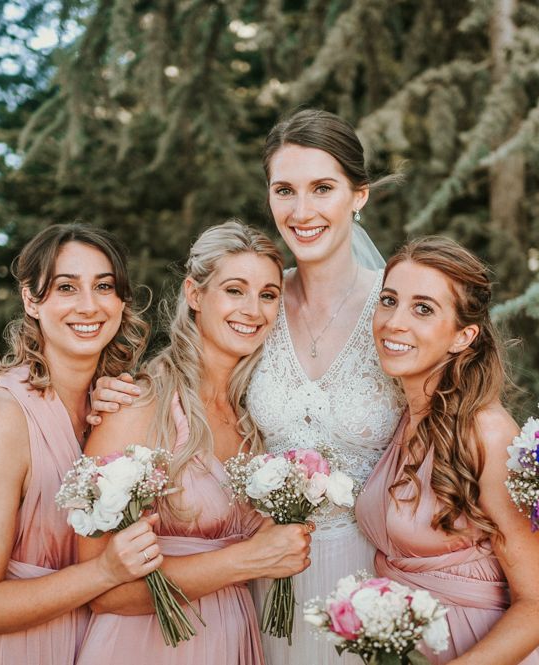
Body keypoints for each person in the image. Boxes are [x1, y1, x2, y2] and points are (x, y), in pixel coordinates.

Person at [86, 110, 405, 664]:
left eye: (322, 188)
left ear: (359, 195)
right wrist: (106, 395)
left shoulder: (399, 307)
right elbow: (194, 382)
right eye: (285, 190)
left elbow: (453, 418)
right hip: (262, 588)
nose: (301, 211)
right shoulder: (258, 301)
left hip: (377, 578)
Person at [75, 220, 312, 665]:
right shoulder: (138, 404)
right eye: (235, 290)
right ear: (195, 294)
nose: (253, 310)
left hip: (233, 636)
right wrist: (250, 559)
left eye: (268, 295)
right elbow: (100, 590)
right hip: (146, 647)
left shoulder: (254, 416)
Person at [355, 236, 539, 664]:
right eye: (389, 300)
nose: (394, 322)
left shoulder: (488, 432)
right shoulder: (405, 420)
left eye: (423, 309)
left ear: (463, 335)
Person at [0, 224, 160, 665]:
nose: (88, 306)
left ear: (121, 301)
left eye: (104, 286)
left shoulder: (114, 408)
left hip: (99, 645)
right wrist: (105, 571)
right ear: (32, 300)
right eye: (66, 287)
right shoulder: (3, 421)